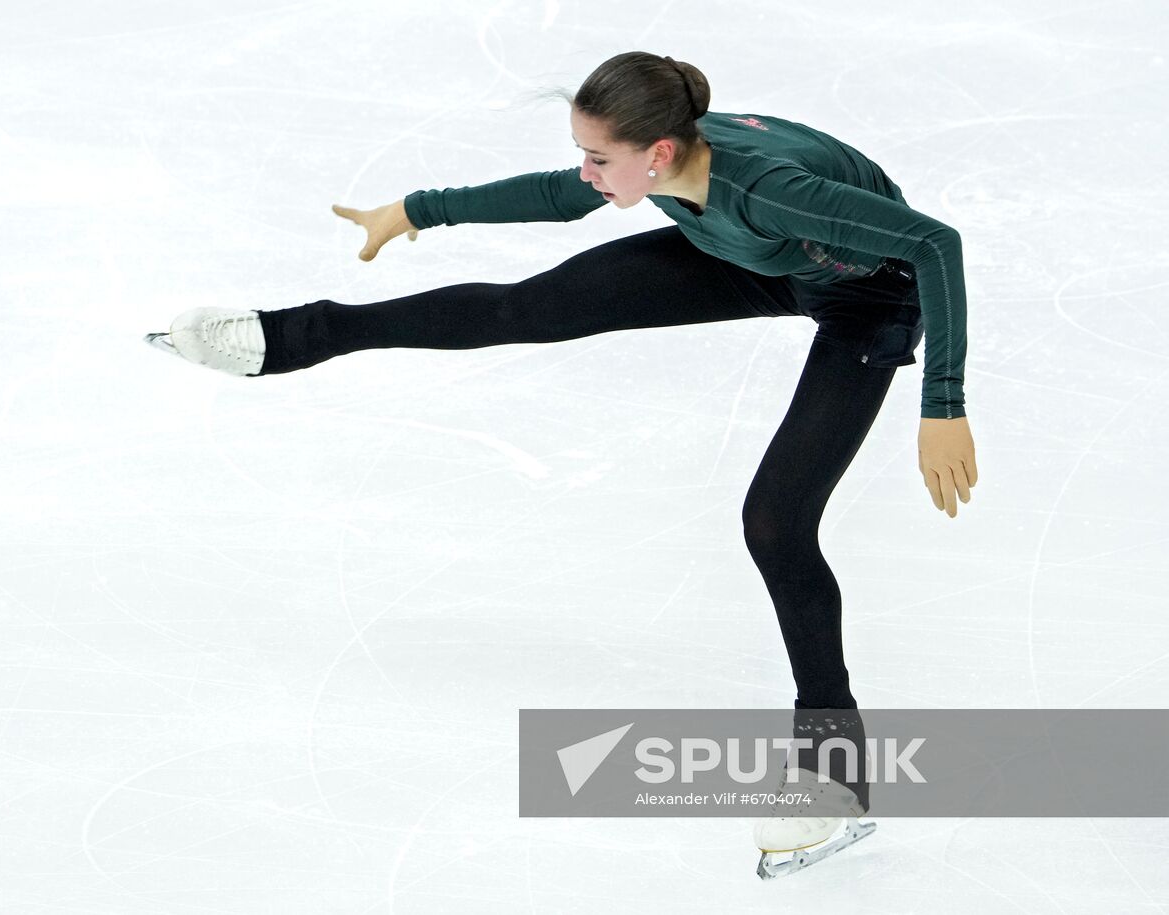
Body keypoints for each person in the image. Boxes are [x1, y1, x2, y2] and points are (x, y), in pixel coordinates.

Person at [149, 50, 978, 875]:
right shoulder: (675, 155)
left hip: (871, 292)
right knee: (529, 306)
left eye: (598, 159)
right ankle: (285, 337)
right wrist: (414, 210)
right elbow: (556, 194)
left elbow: (936, 244)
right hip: (761, 255)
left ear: (658, 153)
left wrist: (942, 403)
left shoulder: (765, 187)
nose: (585, 172)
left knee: (776, 523)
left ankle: (833, 774)